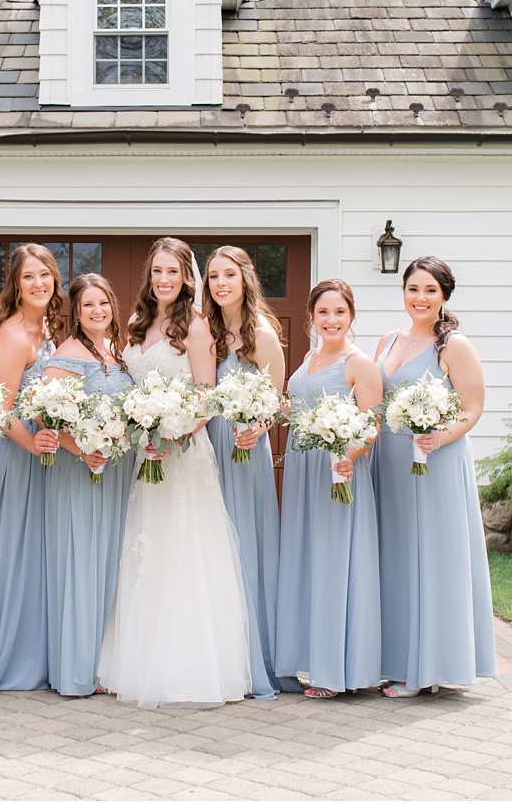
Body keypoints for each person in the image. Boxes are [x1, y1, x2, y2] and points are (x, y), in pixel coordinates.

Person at [96, 237, 252, 707]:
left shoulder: (199, 326)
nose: (163, 280)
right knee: (147, 548)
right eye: (157, 271)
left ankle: (189, 667)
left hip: (184, 452)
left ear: (188, 277)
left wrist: (173, 433)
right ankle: (138, 663)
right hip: (147, 453)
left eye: (173, 271)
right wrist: (143, 431)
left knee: (185, 550)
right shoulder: (138, 324)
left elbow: (207, 395)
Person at [371, 256, 496, 697]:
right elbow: (370, 400)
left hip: (433, 464)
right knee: (395, 556)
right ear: (402, 292)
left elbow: (472, 406)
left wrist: (438, 439)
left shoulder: (453, 346)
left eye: (430, 290)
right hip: (388, 462)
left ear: (444, 296)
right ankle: (395, 659)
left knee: (430, 558)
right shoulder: (387, 341)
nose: (420, 298)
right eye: (413, 289)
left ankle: (425, 668)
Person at [275, 279, 383, 699]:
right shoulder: (309, 357)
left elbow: (372, 424)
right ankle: (308, 658)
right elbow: (299, 406)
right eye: (323, 313)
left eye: (339, 312)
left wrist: (349, 458)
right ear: (312, 317)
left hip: (338, 472)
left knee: (335, 563)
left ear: (351, 316)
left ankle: (336, 670)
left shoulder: (359, 364)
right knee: (308, 561)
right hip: (304, 471)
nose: (331, 320)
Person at [202, 246, 290, 700]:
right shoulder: (206, 332)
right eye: (213, 276)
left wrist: (257, 429)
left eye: (228, 275)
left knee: (245, 543)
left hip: (244, 449)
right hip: (208, 447)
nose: (220, 283)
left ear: (245, 279)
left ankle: (256, 658)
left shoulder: (262, 335)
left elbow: (275, 403)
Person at [42, 273, 133, 697]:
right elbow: (47, 417)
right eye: (87, 305)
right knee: (82, 561)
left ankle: (104, 662)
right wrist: (82, 450)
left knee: (110, 562)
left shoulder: (117, 351)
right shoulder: (67, 354)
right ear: (75, 314)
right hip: (80, 470)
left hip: (116, 471)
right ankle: (77, 669)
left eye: (103, 303)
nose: (97, 311)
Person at [0, 244, 63, 691]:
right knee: (15, 549)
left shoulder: (47, 327)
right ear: (16, 284)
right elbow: (0, 409)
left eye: (45, 275)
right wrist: (34, 445)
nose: (38, 284)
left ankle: (38, 651)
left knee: (38, 552)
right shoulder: (13, 334)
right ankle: (11, 656)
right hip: (18, 453)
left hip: (42, 449)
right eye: (29, 276)